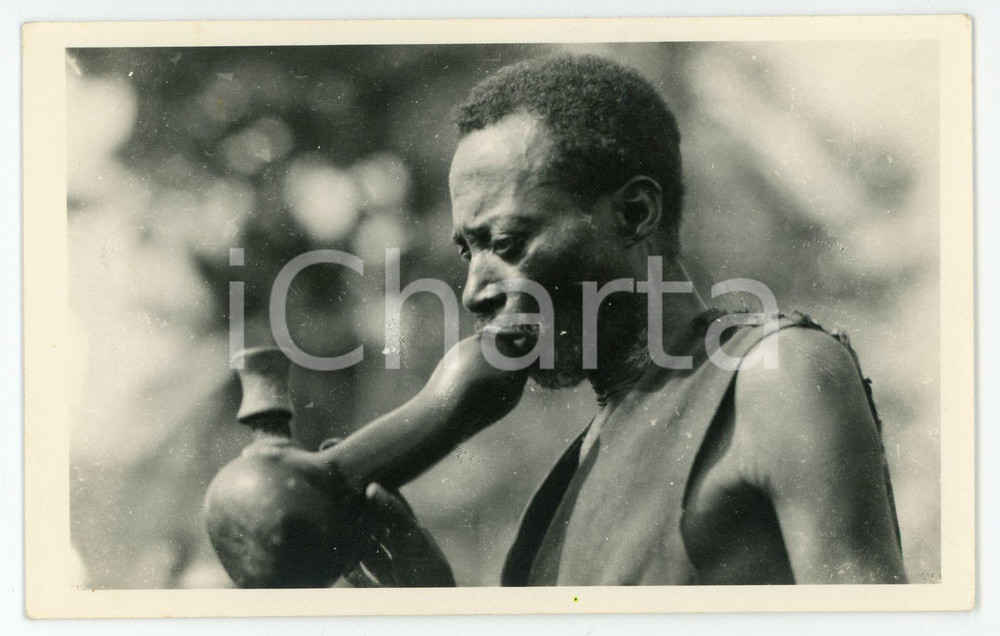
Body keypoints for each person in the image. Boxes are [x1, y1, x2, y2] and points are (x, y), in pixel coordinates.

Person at [340, 54, 906, 587]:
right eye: (470, 253)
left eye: (507, 243)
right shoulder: (572, 474)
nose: (473, 293)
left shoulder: (770, 377)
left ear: (634, 214)